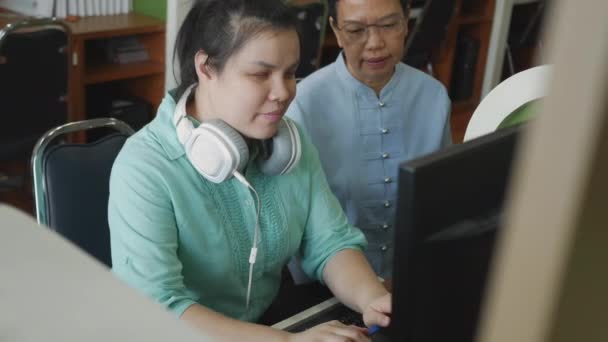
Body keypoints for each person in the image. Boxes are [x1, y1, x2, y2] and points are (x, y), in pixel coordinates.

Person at [108, 0, 390, 341]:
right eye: (260, 74)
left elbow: (331, 243)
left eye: (289, 72)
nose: (283, 92)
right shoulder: (144, 167)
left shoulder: (287, 142)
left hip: (268, 325)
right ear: (206, 67)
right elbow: (156, 306)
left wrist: (373, 298)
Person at [287, 0, 452, 278]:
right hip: (326, 283)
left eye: (388, 25)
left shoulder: (433, 96)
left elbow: (444, 196)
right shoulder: (303, 105)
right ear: (336, 31)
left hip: (413, 272)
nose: (375, 43)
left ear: (406, 22)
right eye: (355, 30)